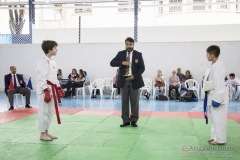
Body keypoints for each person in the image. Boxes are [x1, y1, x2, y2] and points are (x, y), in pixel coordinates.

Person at [110, 37, 145, 127]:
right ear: (125, 44)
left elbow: (142, 68)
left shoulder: (138, 54)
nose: (128, 46)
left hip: (134, 80)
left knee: (135, 102)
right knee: (124, 101)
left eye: (130, 44)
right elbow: (112, 63)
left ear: (133, 45)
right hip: (123, 80)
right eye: (127, 44)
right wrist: (122, 62)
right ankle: (125, 120)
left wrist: (135, 76)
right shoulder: (120, 54)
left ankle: (134, 120)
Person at [36, 40, 62, 141]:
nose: (57, 49)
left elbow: (53, 77)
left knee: (50, 113)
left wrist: (58, 87)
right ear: (50, 49)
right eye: (55, 48)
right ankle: (42, 134)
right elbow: (41, 77)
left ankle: (46, 132)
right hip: (44, 90)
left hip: (52, 89)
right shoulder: (42, 62)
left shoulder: (53, 62)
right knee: (43, 112)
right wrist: (45, 89)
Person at [203, 45, 229, 145]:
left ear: (212, 55)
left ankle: (220, 140)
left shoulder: (219, 66)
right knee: (214, 119)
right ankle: (214, 137)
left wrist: (217, 99)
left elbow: (220, 84)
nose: (206, 56)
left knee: (219, 120)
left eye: (207, 54)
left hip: (218, 97)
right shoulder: (213, 65)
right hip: (211, 95)